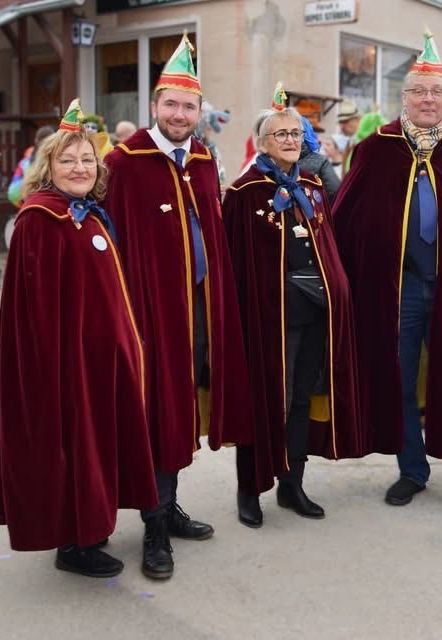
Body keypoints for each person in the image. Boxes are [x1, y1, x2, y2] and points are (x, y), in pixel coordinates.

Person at [332, 30, 442, 525]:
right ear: (403, 99)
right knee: (400, 378)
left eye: (435, 93)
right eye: (417, 93)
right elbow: (346, 217)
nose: (427, 100)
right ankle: (411, 469)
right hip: (398, 291)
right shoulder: (376, 149)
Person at [103, 34, 251, 580]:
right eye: (171, 104)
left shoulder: (206, 161)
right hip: (149, 316)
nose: (180, 114)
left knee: (184, 406)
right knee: (156, 413)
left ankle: (167, 504)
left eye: (189, 106)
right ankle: (154, 528)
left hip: (200, 310)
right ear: (153, 107)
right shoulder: (124, 162)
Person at [0, 100, 157, 578]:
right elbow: (36, 310)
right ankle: (73, 543)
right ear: (47, 166)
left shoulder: (86, 214)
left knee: (99, 445)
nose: (79, 167)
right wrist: (58, 369)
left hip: (100, 360)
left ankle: (93, 525)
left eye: (87, 159)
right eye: (67, 160)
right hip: (68, 365)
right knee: (74, 445)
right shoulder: (40, 220)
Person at [223, 96, 364, 528]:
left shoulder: (313, 188)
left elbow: (329, 246)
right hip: (268, 318)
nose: (290, 139)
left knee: (301, 400)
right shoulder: (244, 193)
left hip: (313, 313)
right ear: (262, 143)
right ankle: (251, 489)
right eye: (280, 133)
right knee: (266, 403)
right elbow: (234, 263)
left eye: (295, 133)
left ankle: (292, 484)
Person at [6, 125, 55, 208]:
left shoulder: (25, 161)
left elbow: (12, 192)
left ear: (36, 140)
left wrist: (23, 205)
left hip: (29, 203)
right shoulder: (54, 160)